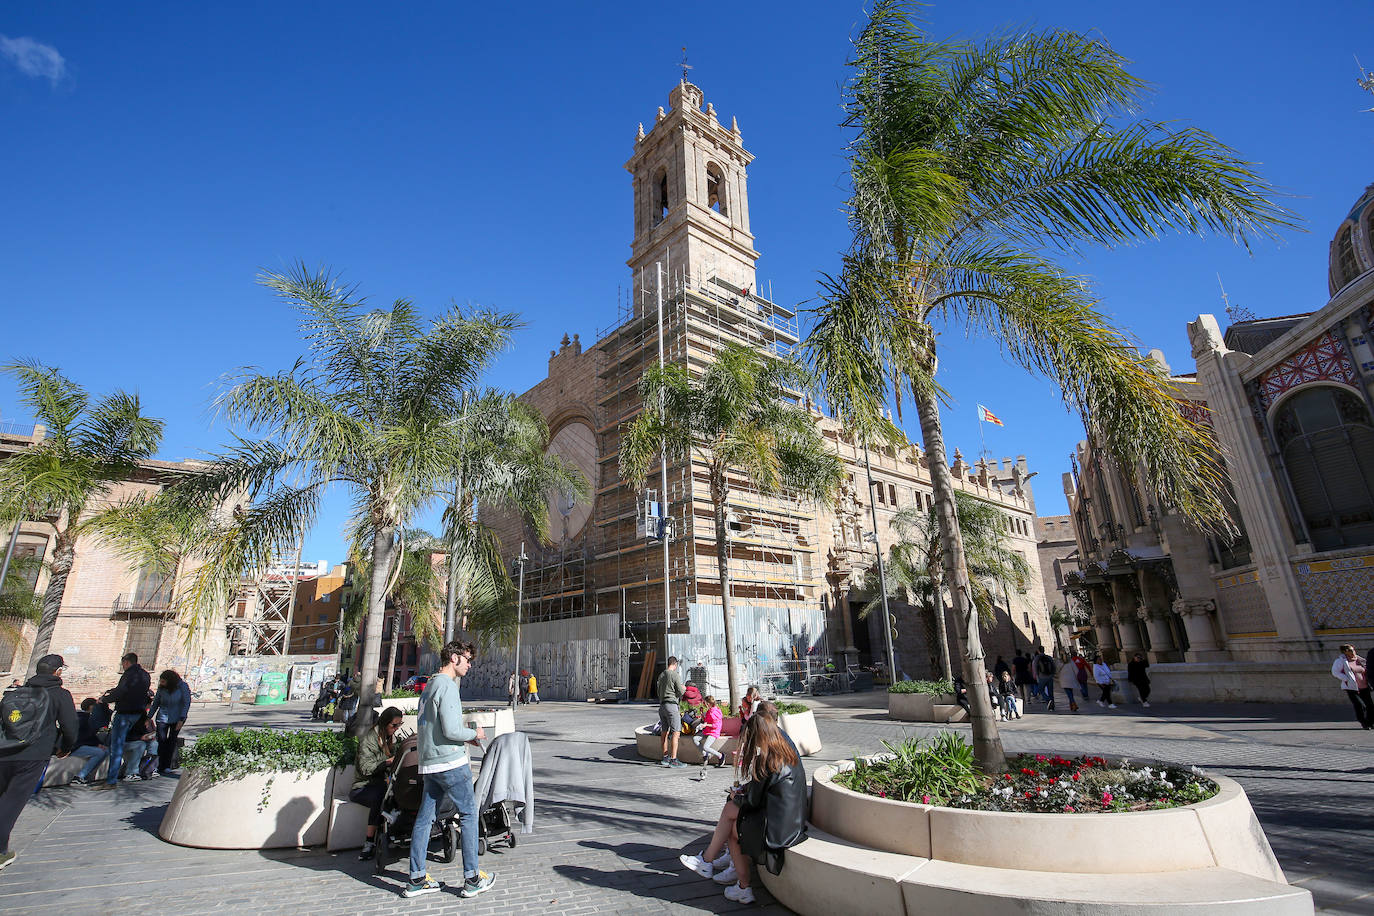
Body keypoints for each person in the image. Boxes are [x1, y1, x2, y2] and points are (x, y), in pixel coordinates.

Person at [679, 705, 807, 905]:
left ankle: (728, 875)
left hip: (778, 832)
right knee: (732, 816)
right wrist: (743, 793)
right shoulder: (782, 752)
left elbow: (753, 801)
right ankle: (715, 866)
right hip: (789, 823)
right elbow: (763, 793)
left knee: (732, 822)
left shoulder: (769, 760)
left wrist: (737, 794)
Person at [403, 640, 493, 899]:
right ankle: (472, 878)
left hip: (430, 762)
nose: (469, 664)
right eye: (466, 659)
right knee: (468, 814)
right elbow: (452, 730)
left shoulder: (430, 685)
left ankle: (417, 878)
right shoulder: (448, 687)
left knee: (425, 818)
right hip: (451, 762)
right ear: (453, 658)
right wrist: (474, 733)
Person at [0, 654, 77, 871]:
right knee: (12, 802)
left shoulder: (17, 692)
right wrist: (66, 746)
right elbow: (70, 726)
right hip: (34, 754)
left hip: (4, 751)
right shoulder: (60, 695)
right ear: (58, 672)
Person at [354, 706, 404, 860]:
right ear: (385, 723)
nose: (396, 729)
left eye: (399, 725)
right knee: (380, 796)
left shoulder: (390, 738)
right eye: (393, 725)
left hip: (383, 783)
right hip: (363, 786)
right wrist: (386, 762)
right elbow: (365, 768)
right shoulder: (369, 740)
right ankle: (369, 842)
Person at [96, 652, 150, 789]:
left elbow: (122, 692)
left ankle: (111, 780)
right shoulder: (145, 674)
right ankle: (127, 772)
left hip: (125, 713)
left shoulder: (129, 675)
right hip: (138, 713)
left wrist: (105, 699)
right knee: (124, 742)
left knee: (117, 746)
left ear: (126, 662)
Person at [149, 669, 191, 775]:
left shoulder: (182, 687)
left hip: (177, 718)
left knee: (171, 741)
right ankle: (159, 765)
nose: (161, 683)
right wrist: (148, 717)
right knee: (161, 740)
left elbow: (186, 703)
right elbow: (156, 703)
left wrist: (182, 719)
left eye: (163, 681)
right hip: (162, 716)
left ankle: (167, 765)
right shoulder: (162, 689)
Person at [1330, 645, 1372, 729]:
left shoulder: (1359, 659)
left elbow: (1366, 669)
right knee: (1360, 705)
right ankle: (1363, 722)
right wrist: (1346, 678)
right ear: (1345, 652)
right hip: (1351, 687)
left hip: (1364, 686)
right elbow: (1335, 672)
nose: (1353, 652)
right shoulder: (1341, 661)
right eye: (1350, 650)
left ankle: (1370, 722)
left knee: (1370, 706)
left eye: (1353, 650)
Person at [656, 657, 687, 769]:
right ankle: (673, 759)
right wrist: (684, 688)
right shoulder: (674, 675)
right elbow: (679, 691)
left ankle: (665, 757)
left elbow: (658, 691)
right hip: (671, 705)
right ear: (675, 664)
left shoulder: (661, 675)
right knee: (676, 732)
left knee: (664, 731)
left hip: (662, 706)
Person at [69, 698, 110, 784]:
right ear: (91, 707)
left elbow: (90, 736)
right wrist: (97, 745)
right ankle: (80, 776)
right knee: (100, 752)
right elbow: (84, 737)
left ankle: (89, 775)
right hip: (75, 747)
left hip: (81, 745)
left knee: (106, 751)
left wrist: (98, 744)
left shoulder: (84, 718)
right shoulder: (83, 719)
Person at [693, 696, 727, 775]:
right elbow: (707, 720)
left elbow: (715, 725)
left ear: (708, 704)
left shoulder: (713, 712)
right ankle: (706, 754)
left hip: (714, 732)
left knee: (706, 747)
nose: (704, 704)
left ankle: (720, 755)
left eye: (705, 703)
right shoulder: (710, 710)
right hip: (707, 731)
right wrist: (702, 716)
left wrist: (705, 725)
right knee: (695, 739)